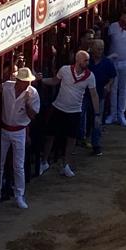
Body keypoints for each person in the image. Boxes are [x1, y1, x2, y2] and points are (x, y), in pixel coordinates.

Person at [46, 50, 100, 178]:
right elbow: (54, 81)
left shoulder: (90, 76)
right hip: (58, 107)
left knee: (71, 139)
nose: (87, 62)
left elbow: (94, 95)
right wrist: (41, 80)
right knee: (50, 135)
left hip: (74, 111)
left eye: (88, 60)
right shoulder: (64, 70)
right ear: (78, 60)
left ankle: (66, 165)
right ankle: (44, 162)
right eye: (85, 60)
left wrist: (97, 114)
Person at [0, 66, 39, 210]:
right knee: (0, 163)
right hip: (5, 129)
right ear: (18, 81)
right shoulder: (7, 87)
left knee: (18, 165)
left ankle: (19, 195)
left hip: (19, 131)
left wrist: (27, 103)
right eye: (24, 81)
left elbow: (33, 115)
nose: (28, 84)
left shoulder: (32, 93)